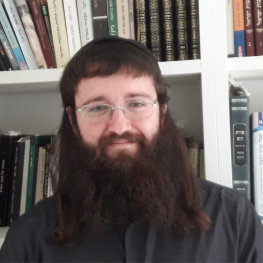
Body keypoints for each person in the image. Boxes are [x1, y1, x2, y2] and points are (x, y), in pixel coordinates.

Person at [1, 36, 263, 262]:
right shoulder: (30, 236)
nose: (119, 125)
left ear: (161, 113)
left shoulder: (232, 217)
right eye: (97, 108)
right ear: (73, 121)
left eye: (137, 103)